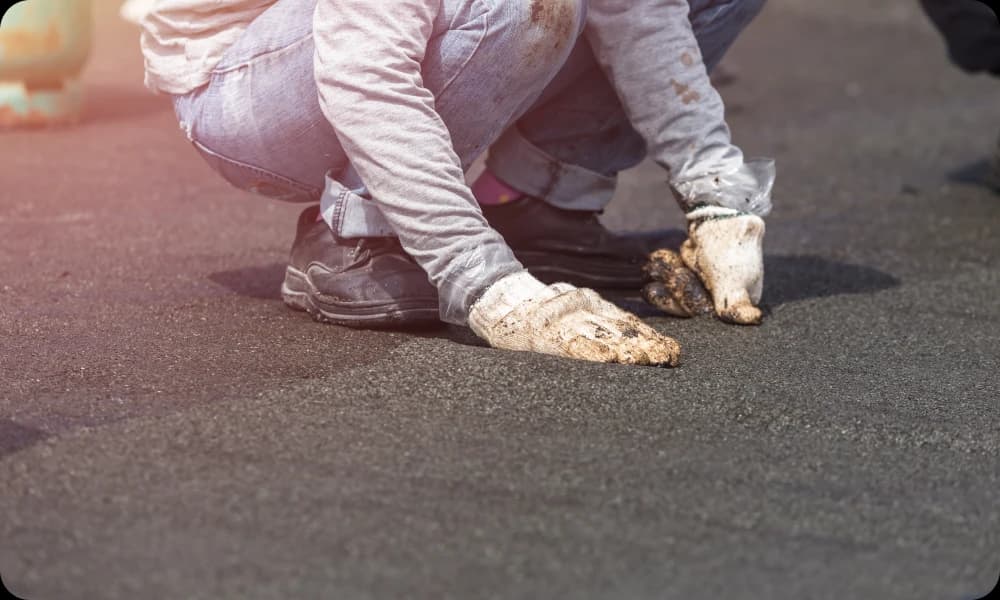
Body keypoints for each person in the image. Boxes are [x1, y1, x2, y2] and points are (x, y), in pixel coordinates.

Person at [141, 0, 773, 366]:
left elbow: (635, 9)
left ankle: (540, 200)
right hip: (239, 82)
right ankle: (361, 227)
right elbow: (365, 73)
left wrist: (716, 189)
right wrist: (482, 280)